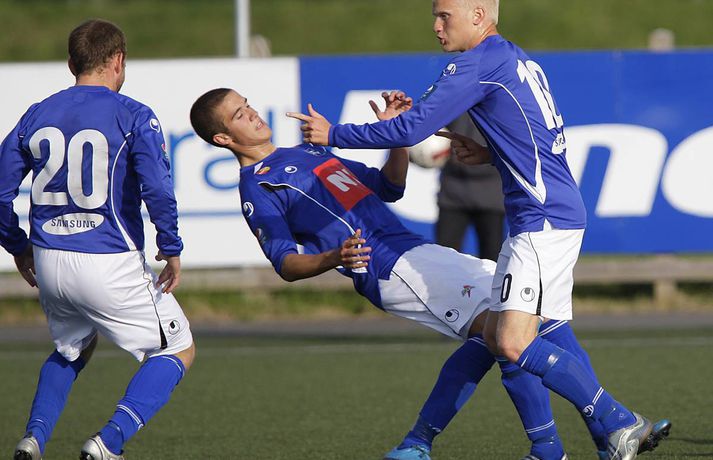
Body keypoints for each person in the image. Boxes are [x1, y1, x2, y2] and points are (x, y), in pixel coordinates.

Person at [190, 88, 668, 460]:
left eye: (248, 105)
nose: (252, 114)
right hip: (391, 268)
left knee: (531, 325)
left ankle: (442, 443)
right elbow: (284, 263)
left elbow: (389, 187)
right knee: (508, 333)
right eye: (238, 115)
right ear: (223, 139)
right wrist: (334, 256)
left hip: (418, 251)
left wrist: (395, 135)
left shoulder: (310, 154)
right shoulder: (260, 187)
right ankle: (608, 425)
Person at [286, 1, 670, 459]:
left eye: (444, 16)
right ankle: (565, 447)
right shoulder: (516, 58)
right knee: (520, 335)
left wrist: (333, 134)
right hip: (546, 214)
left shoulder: (477, 63)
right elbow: (542, 141)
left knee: (511, 341)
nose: (436, 26)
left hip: (541, 220)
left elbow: (413, 127)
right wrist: (490, 154)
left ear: (478, 14)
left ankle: (618, 421)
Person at [0, 19, 195, 460]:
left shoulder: (37, 113)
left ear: (72, 63)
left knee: (74, 347)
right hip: (108, 258)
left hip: (50, 260)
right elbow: (157, 188)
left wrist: (17, 245)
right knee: (178, 347)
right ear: (118, 61)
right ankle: (109, 442)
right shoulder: (133, 114)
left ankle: (33, 439)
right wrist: (171, 246)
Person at [437, 113, 504, 261]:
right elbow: (433, 129)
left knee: (492, 261)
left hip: (491, 196)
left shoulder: (502, 107)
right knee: (444, 259)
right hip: (453, 194)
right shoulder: (453, 102)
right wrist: (422, 150)